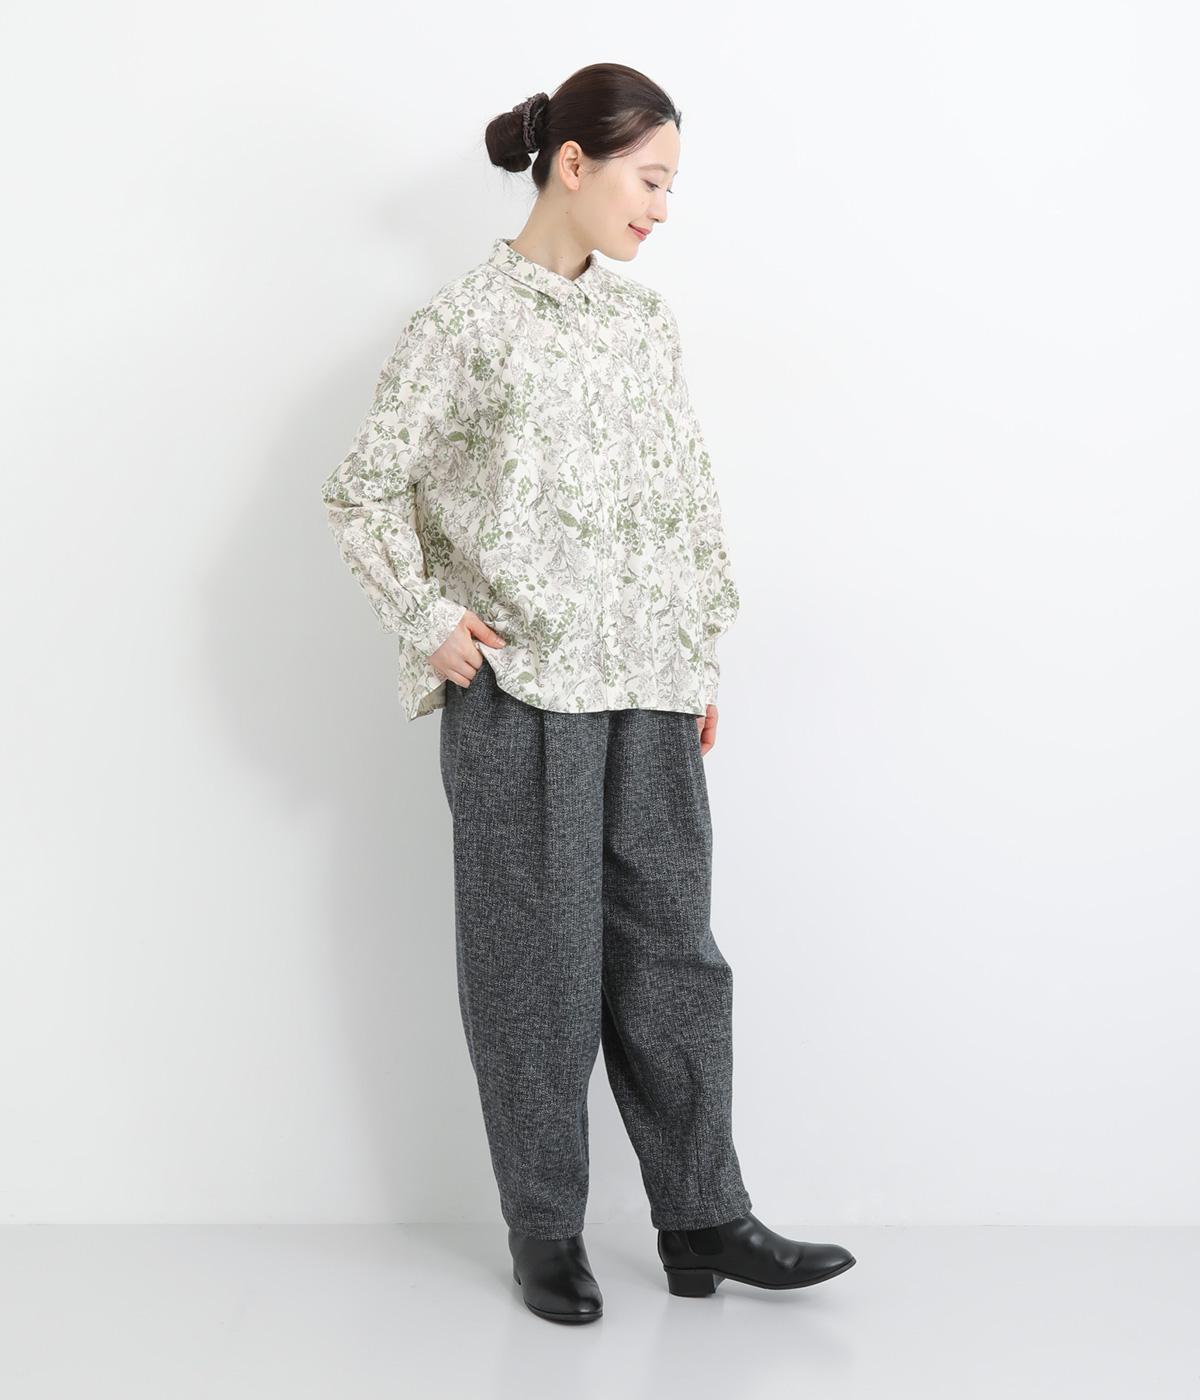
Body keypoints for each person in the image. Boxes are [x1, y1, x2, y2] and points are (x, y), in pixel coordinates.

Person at [320, 62, 856, 1324]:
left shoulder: (642, 323)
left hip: (651, 690)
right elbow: (362, 489)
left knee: (674, 957)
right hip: (524, 693)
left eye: (671, 186)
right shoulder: (462, 323)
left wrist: (697, 652)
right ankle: (545, 1227)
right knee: (537, 971)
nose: (663, 208)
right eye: (649, 180)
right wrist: (427, 619)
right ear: (573, 163)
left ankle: (703, 1212)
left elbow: (685, 495)